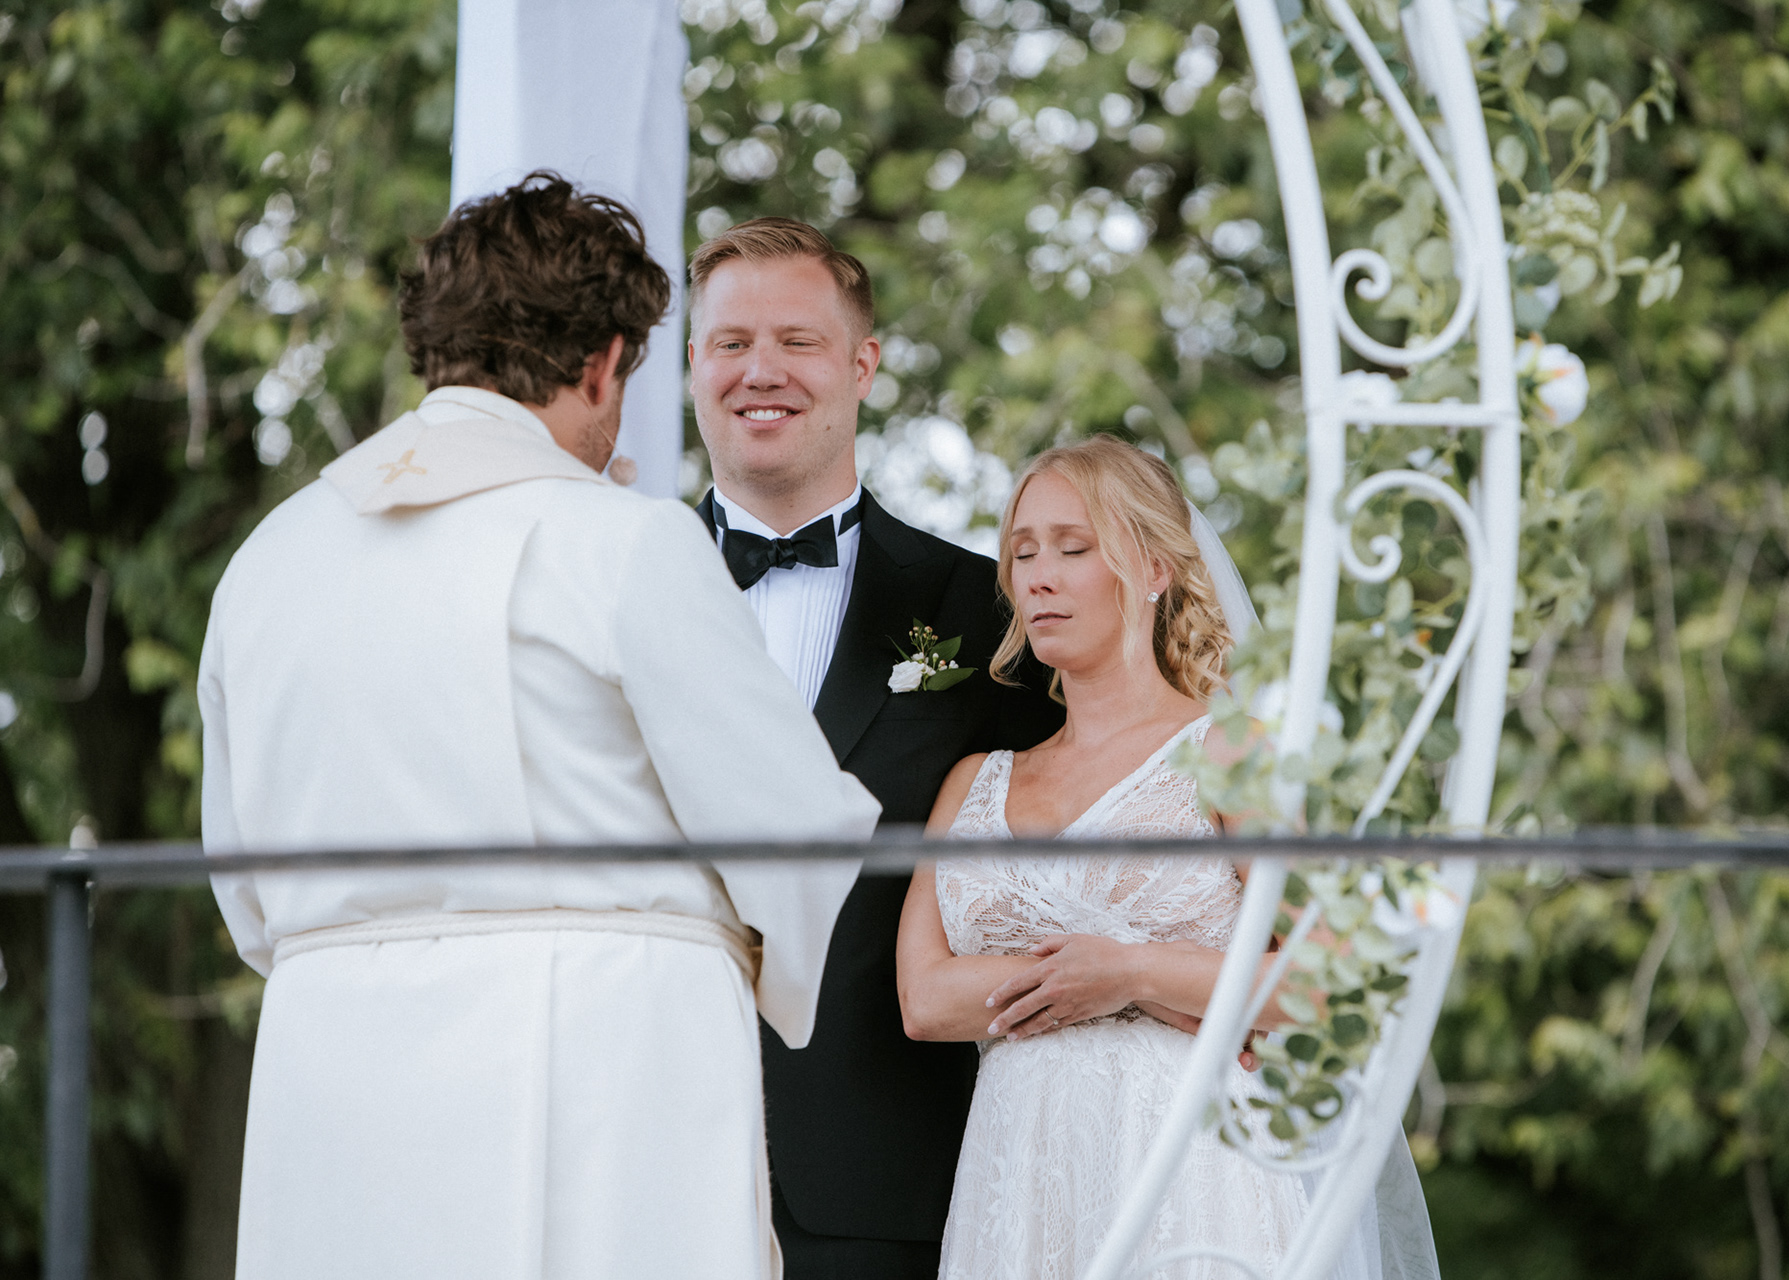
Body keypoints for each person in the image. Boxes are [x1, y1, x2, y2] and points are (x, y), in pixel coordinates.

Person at [199, 174, 879, 1280]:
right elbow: (793, 827)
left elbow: (242, 883)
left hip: (332, 1071)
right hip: (600, 1064)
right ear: (604, 362)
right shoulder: (620, 540)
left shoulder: (269, 557)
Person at [899, 436, 1436, 1280]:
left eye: (1073, 548)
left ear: (1154, 568)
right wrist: (1124, 986)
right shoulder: (975, 781)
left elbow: (1331, 982)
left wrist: (1135, 973)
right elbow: (925, 999)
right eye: (1023, 552)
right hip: (1019, 1177)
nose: (1039, 576)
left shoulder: (1227, 753)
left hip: (1192, 1172)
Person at [685, 217, 1065, 1279]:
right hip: (633, 1148)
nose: (761, 370)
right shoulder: (601, 589)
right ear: (693, 364)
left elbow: (1075, 844)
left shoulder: (985, 611)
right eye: (731, 342)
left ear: (862, 366)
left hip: (879, 1182)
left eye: (798, 341)